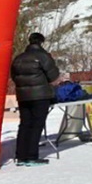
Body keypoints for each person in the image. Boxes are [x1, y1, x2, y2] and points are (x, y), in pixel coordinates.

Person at [10, 32, 65, 167]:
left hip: (23, 95)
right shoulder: (43, 57)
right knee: (36, 125)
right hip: (40, 96)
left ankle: (20, 155)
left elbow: (13, 76)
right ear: (41, 42)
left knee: (24, 124)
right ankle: (32, 156)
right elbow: (53, 76)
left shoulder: (18, 58)